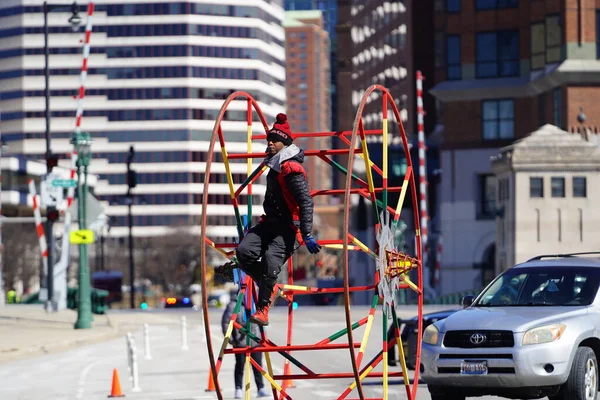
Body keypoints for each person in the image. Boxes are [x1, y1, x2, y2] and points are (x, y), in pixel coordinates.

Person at [216, 113, 321, 326]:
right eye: (269, 141)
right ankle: (269, 285)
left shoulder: (291, 169)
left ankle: (263, 309)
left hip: (290, 228)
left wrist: (307, 233)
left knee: (271, 261)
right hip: (270, 223)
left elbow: (306, 201)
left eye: (274, 141)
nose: (270, 143)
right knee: (244, 252)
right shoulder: (274, 164)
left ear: (286, 143)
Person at [221, 290, 269, 398]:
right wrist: (232, 340)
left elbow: (262, 320)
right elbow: (225, 323)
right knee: (240, 366)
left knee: (258, 366)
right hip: (240, 342)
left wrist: (262, 338)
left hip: (255, 341)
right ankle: (238, 389)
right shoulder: (233, 305)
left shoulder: (255, 304)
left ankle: (260, 388)